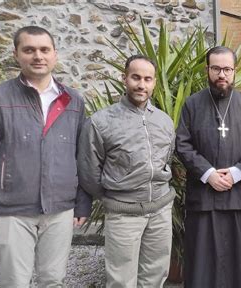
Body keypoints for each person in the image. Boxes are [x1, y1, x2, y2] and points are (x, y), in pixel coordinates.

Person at [0, 26, 91, 287]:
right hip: (12, 212)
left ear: (55, 55)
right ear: (16, 55)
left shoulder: (73, 100)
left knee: (53, 280)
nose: (38, 56)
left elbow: (82, 157)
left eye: (44, 50)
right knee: (14, 282)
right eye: (29, 50)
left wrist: (82, 203)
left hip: (60, 211)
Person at [77, 55, 175, 288]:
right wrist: (116, 196)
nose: (141, 84)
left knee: (155, 274)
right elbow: (89, 170)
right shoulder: (101, 122)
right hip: (123, 214)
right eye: (136, 77)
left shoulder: (164, 121)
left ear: (154, 83)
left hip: (161, 209)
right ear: (124, 78)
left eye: (147, 79)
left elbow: (166, 158)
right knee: (121, 279)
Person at [176, 46, 241, 287]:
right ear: (207, 70)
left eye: (227, 69)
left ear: (235, 71)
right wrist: (208, 174)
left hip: (239, 198)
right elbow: (182, 144)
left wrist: (236, 173)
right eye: (216, 68)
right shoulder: (192, 105)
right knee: (201, 266)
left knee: (238, 263)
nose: (222, 74)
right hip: (204, 198)